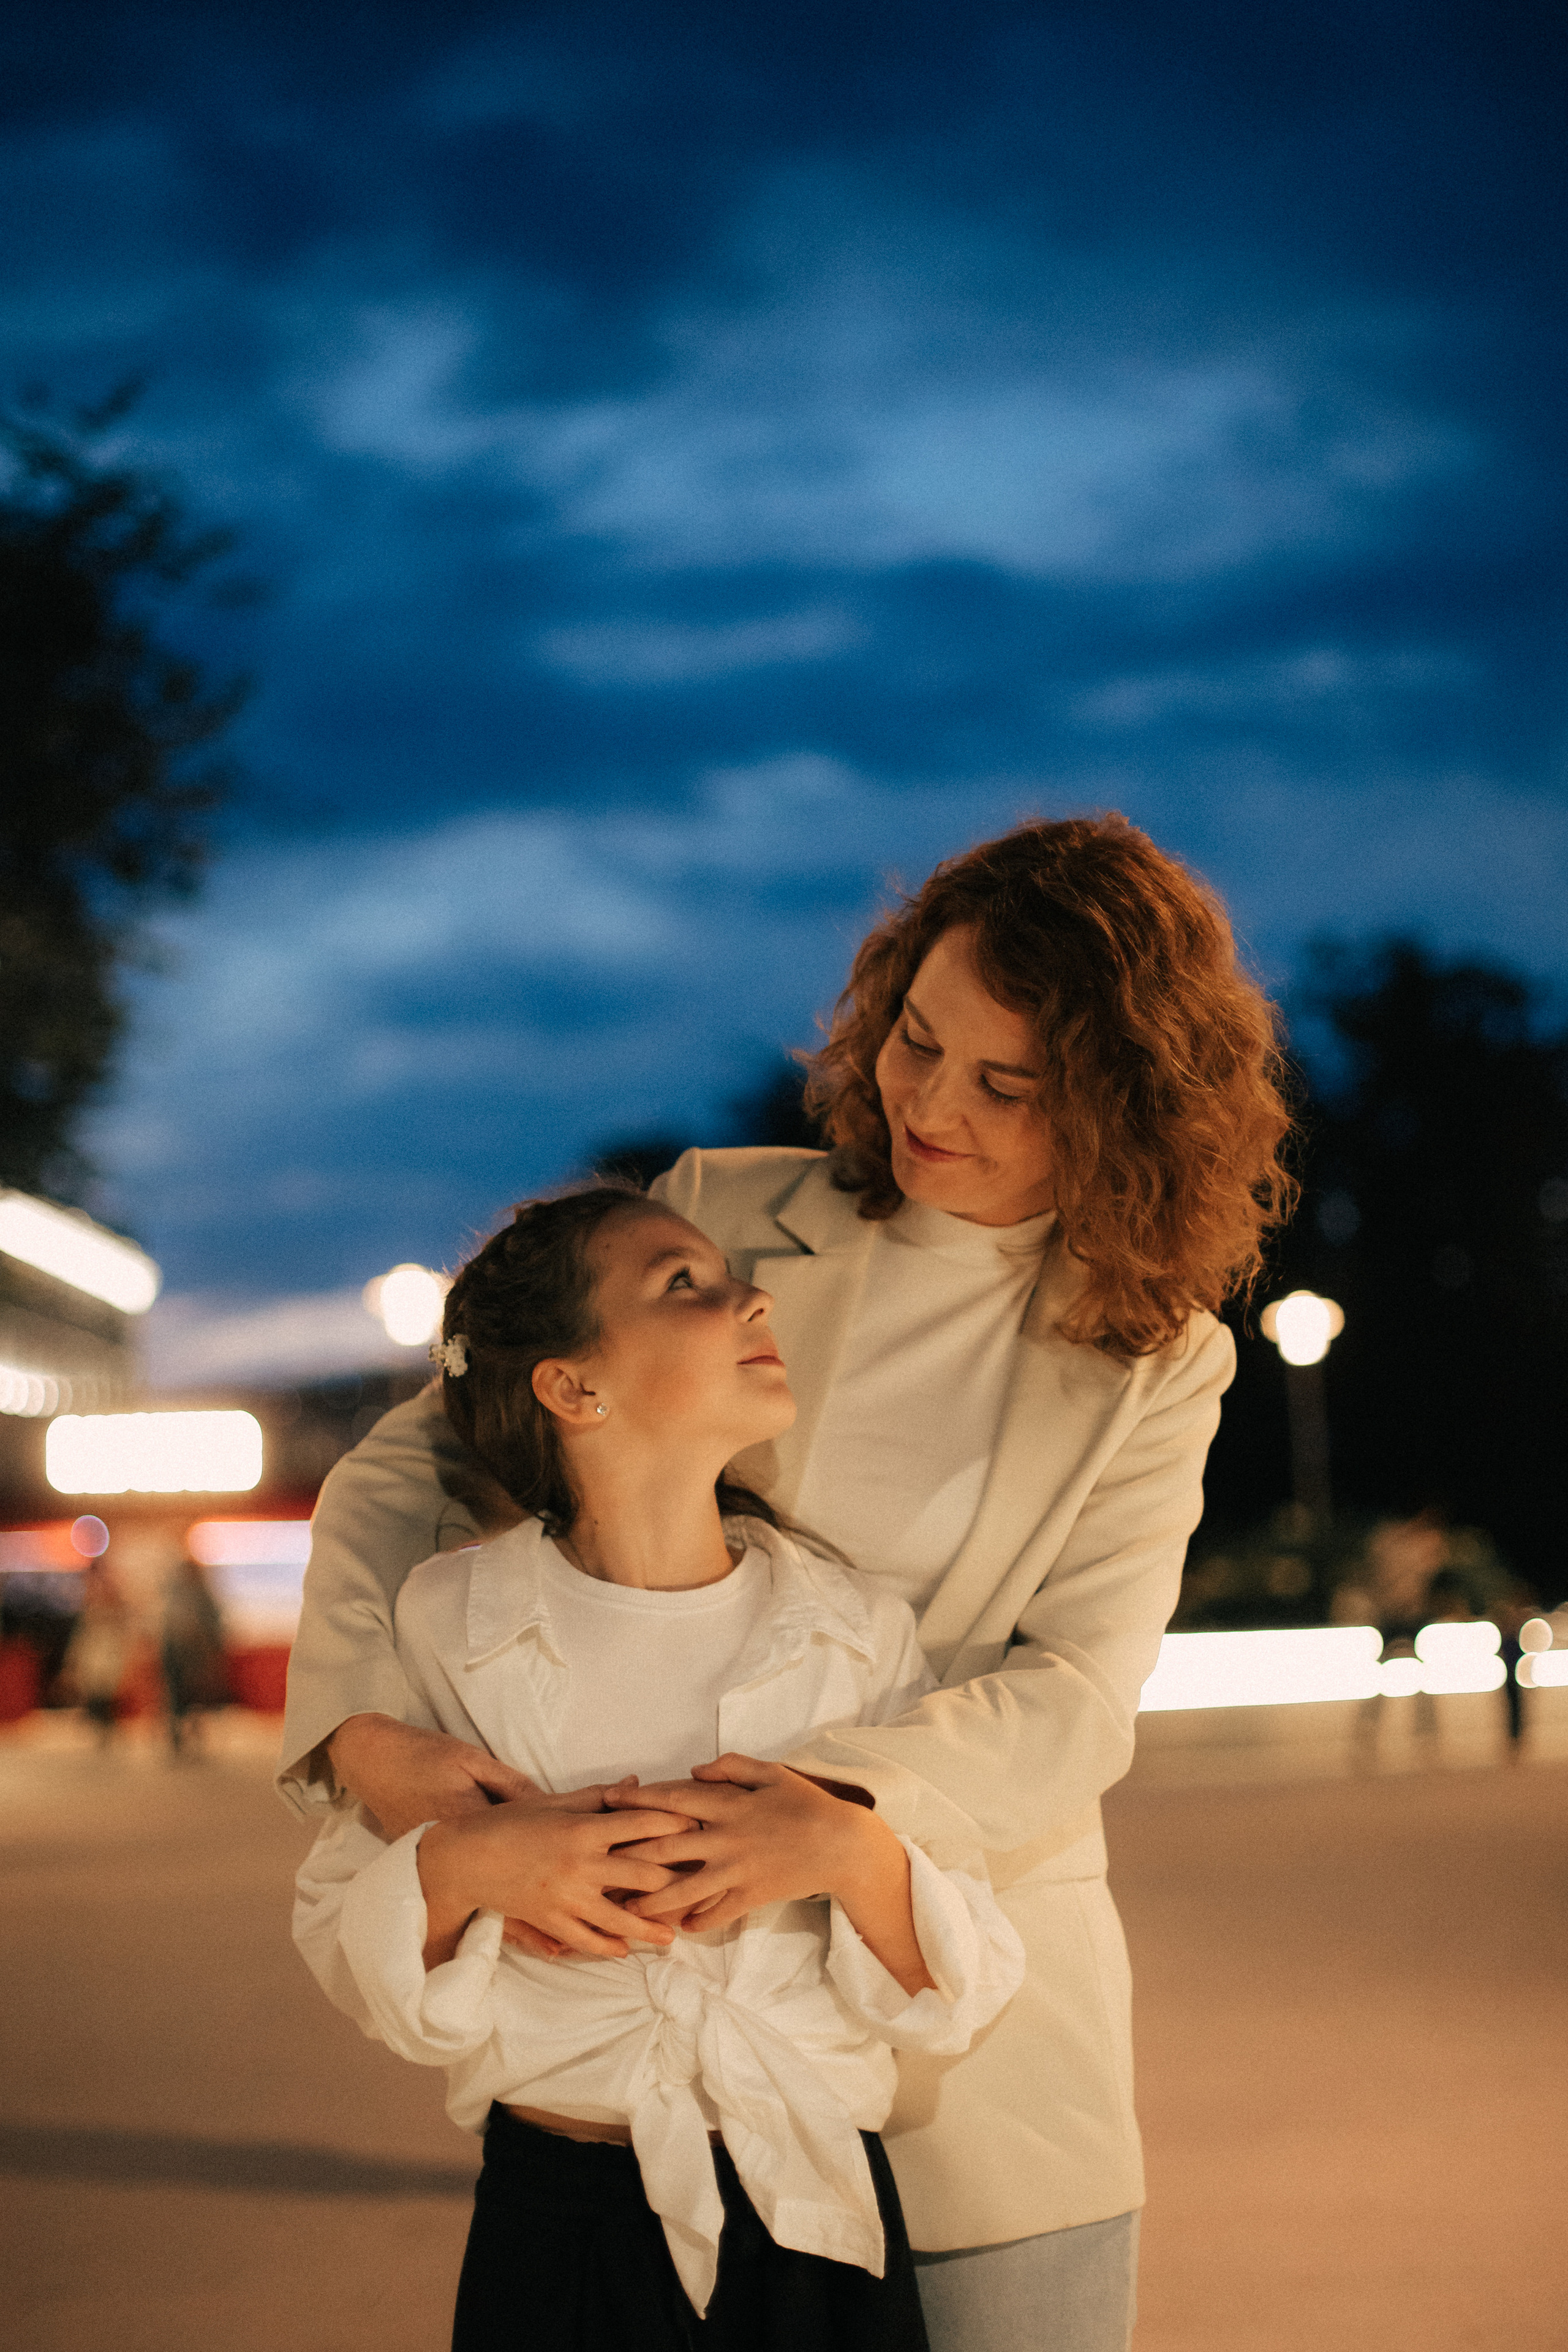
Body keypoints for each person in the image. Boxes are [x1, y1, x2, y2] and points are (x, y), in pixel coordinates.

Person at [279, 813, 1295, 2352]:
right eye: (913, 1036)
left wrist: (812, 1817)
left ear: (1117, 1108)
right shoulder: (725, 1213)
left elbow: (1073, 1695)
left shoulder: (1162, 1353)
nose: (926, 1101)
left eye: (1002, 1082)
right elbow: (403, 1471)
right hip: (667, 2025)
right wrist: (360, 1734)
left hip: (969, 2003)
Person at [293, 1186, 1024, 2351]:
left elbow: (963, 1975)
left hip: (819, 2218)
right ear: (572, 1387)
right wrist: (469, 1865)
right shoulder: (451, 1620)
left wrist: (848, 1849)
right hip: (560, 2220)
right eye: (684, 1283)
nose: (755, 1297)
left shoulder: (850, 1628)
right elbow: (345, 1932)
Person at [161, 1555, 228, 1757]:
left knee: (193, 1696)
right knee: (179, 1695)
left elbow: (215, 1624)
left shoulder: (197, 1594)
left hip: (192, 1652)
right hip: (179, 1651)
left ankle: (189, 1735)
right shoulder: (181, 1593)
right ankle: (179, 1736)